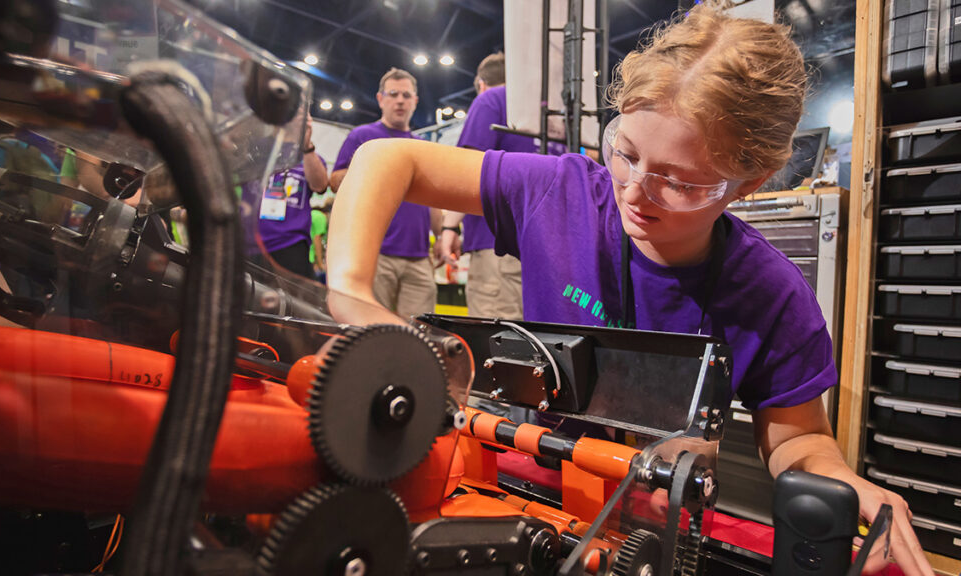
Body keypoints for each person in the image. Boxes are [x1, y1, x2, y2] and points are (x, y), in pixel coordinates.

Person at [326, 6, 932, 575]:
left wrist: (838, 480)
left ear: (750, 182)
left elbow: (799, 437)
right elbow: (385, 159)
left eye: (679, 182)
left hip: (654, 524)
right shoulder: (558, 195)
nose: (636, 192)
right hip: (524, 485)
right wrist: (351, 289)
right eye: (627, 151)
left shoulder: (772, 293)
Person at [438, 52, 564, 319]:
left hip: (496, 242)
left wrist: (449, 227)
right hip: (550, 248)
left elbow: (468, 169)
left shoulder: (491, 100)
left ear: (481, 84)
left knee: (498, 337)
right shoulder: (550, 113)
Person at [330, 67, 442, 317]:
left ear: (415, 101)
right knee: (369, 329)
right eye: (393, 94)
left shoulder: (423, 145)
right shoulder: (363, 136)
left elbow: (435, 198)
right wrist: (376, 172)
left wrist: (443, 235)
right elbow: (336, 180)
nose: (400, 100)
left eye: (406, 95)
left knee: (421, 333)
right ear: (380, 99)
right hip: (375, 253)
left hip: (419, 257)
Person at [258, 115, 329, 279]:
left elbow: (320, 186)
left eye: (304, 113)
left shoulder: (311, 159)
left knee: (291, 302)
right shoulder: (259, 150)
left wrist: (306, 147)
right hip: (252, 241)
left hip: (291, 244)